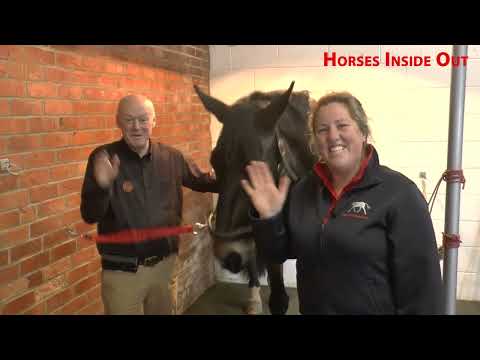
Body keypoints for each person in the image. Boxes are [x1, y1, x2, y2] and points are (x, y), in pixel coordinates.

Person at [240, 92, 444, 315]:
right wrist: (269, 218)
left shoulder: (400, 194)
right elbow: (277, 253)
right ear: (315, 141)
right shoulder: (302, 190)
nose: (332, 136)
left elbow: (423, 291)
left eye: (342, 125)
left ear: (363, 132)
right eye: (322, 129)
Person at [80, 94, 218, 315]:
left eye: (143, 120)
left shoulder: (172, 157)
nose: (136, 127)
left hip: (165, 268)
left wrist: (238, 174)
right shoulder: (103, 158)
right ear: (118, 121)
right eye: (129, 119)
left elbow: (203, 181)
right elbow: (90, 215)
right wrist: (102, 187)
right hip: (123, 273)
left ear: (154, 121)